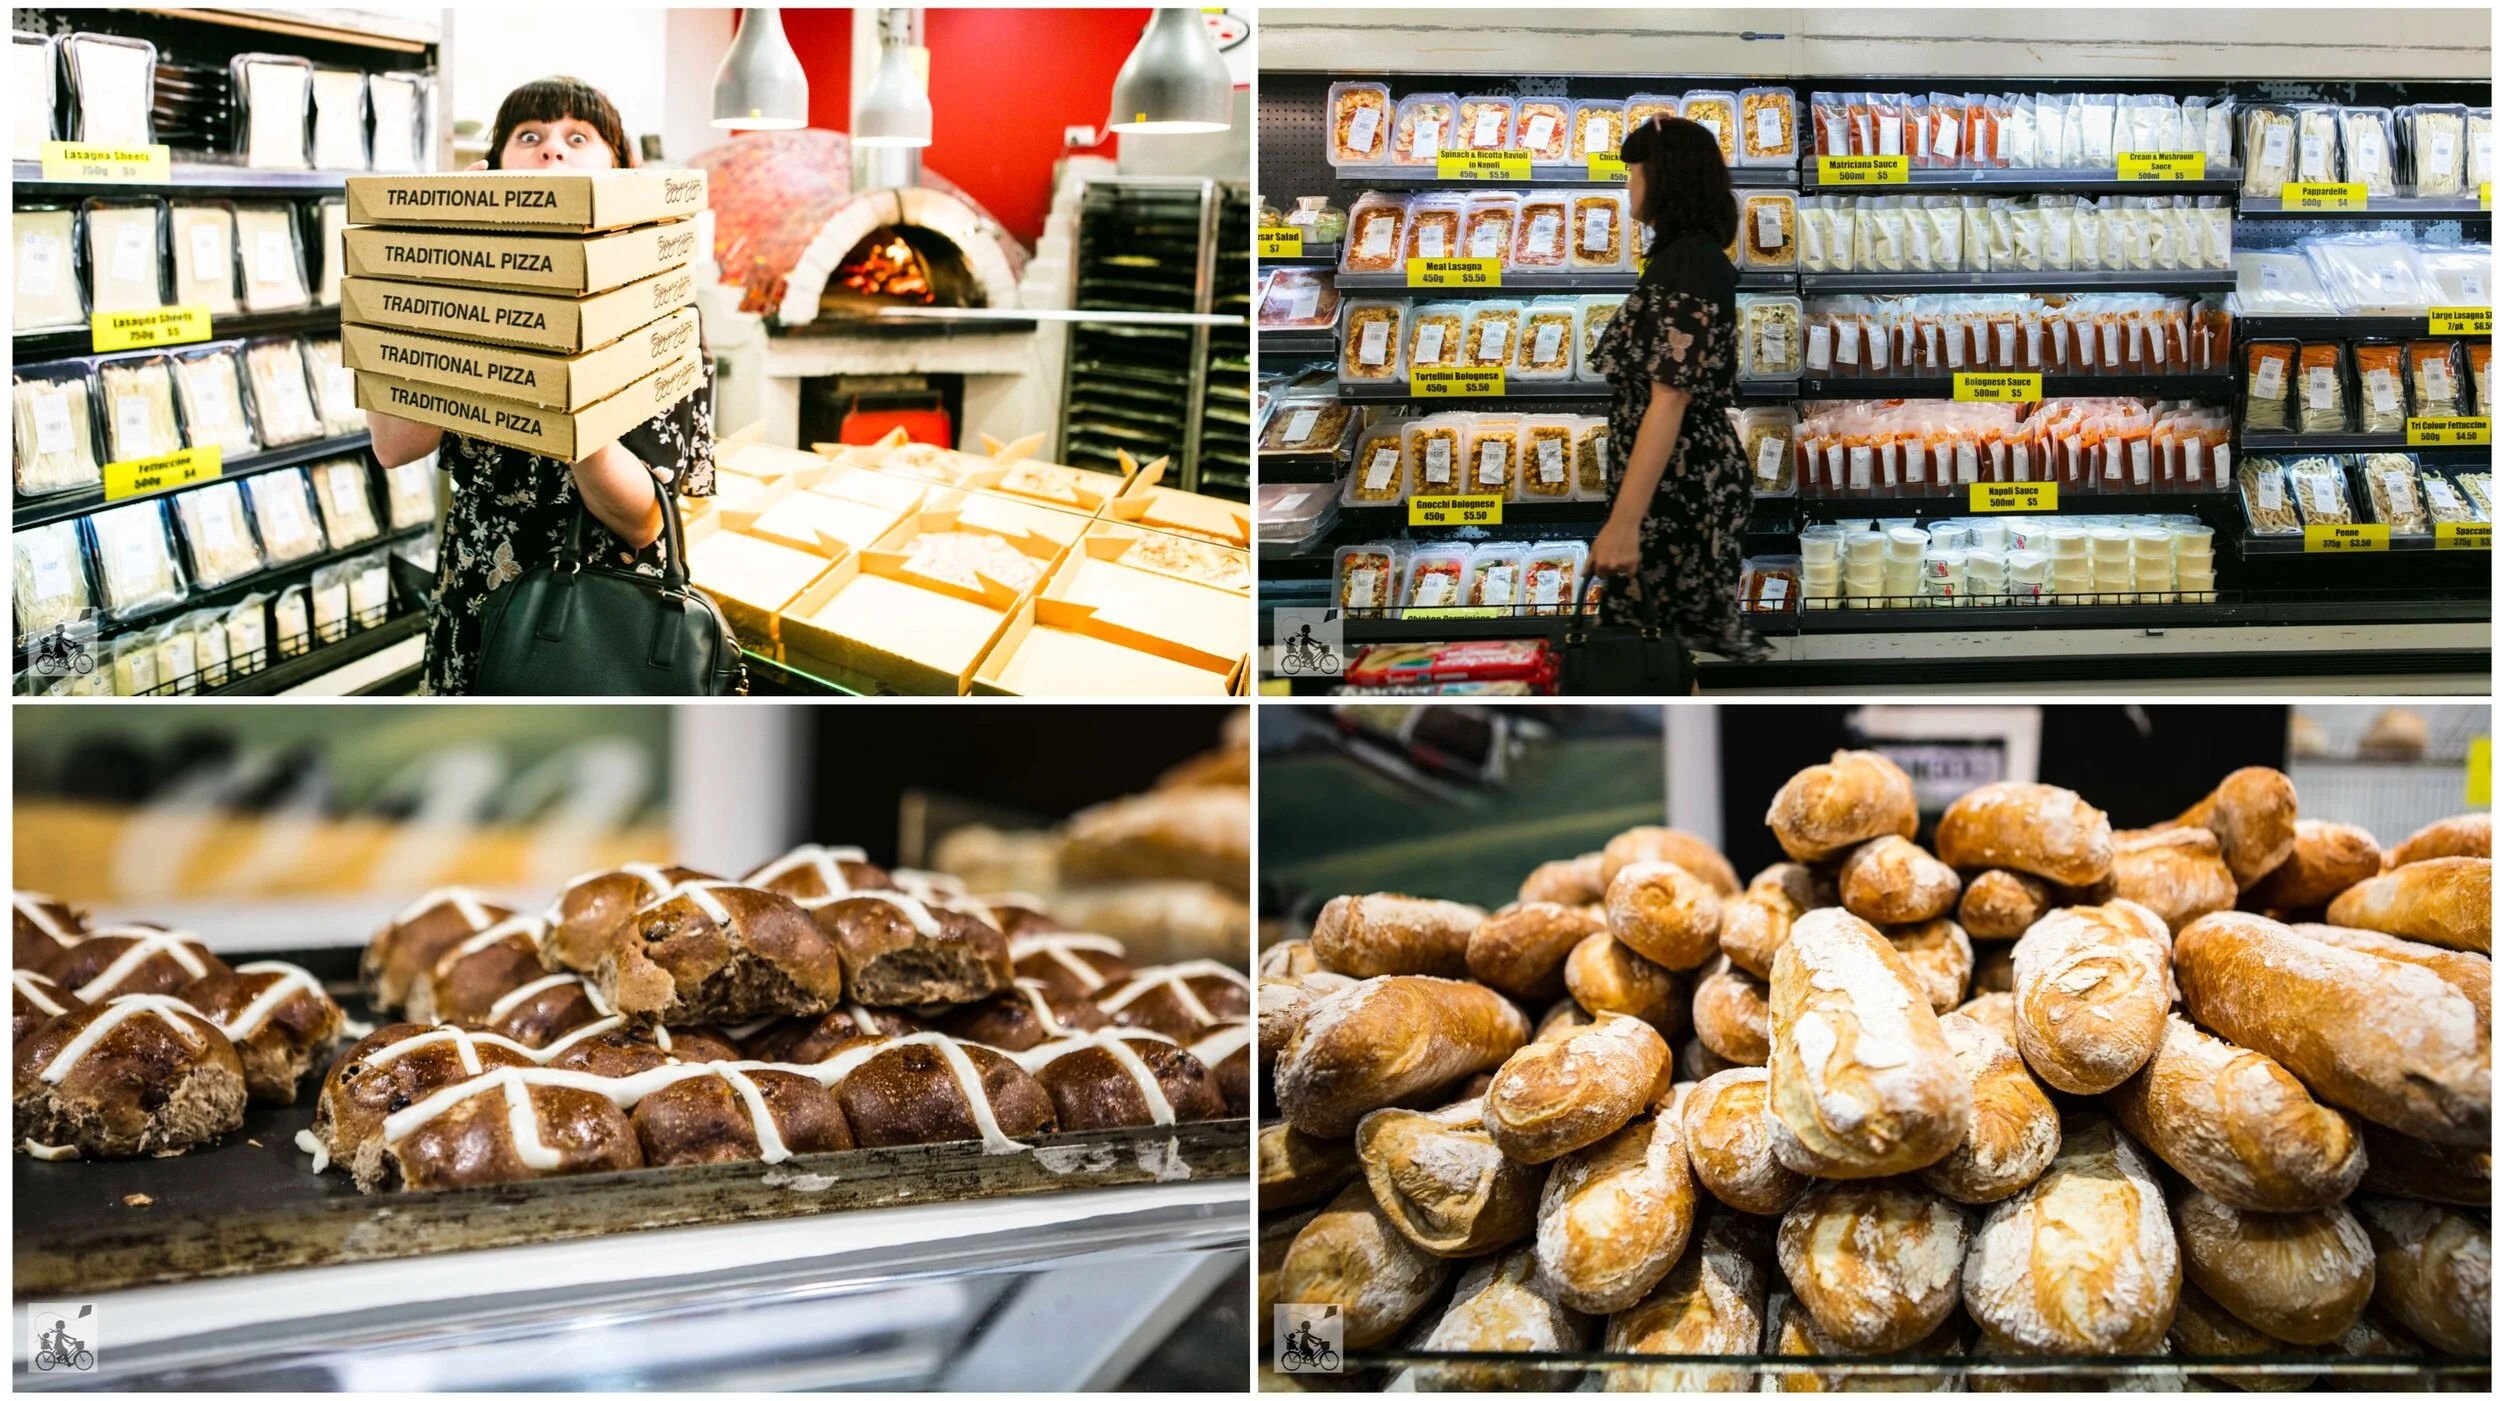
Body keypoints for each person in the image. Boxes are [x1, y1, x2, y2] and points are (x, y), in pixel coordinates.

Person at [365, 76, 714, 694]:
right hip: (478, 585)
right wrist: (447, 271)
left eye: (578, 137)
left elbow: (641, 522)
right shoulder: (451, 287)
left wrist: (563, 376)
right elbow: (396, 445)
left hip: (599, 607)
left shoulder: (657, 299)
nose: (552, 150)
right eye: (529, 136)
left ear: (621, 170)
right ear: (492, 167)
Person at [1586, 114, 1771, 664]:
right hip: (1673, 488)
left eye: (1633, 173)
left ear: (1662, 177)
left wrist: (1624, 523)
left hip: (1681, 493)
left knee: (1642, 652)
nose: (1627, 187)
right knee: (1656, 652)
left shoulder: (1690, 261)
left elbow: (1669, 399)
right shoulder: (1683, 257)